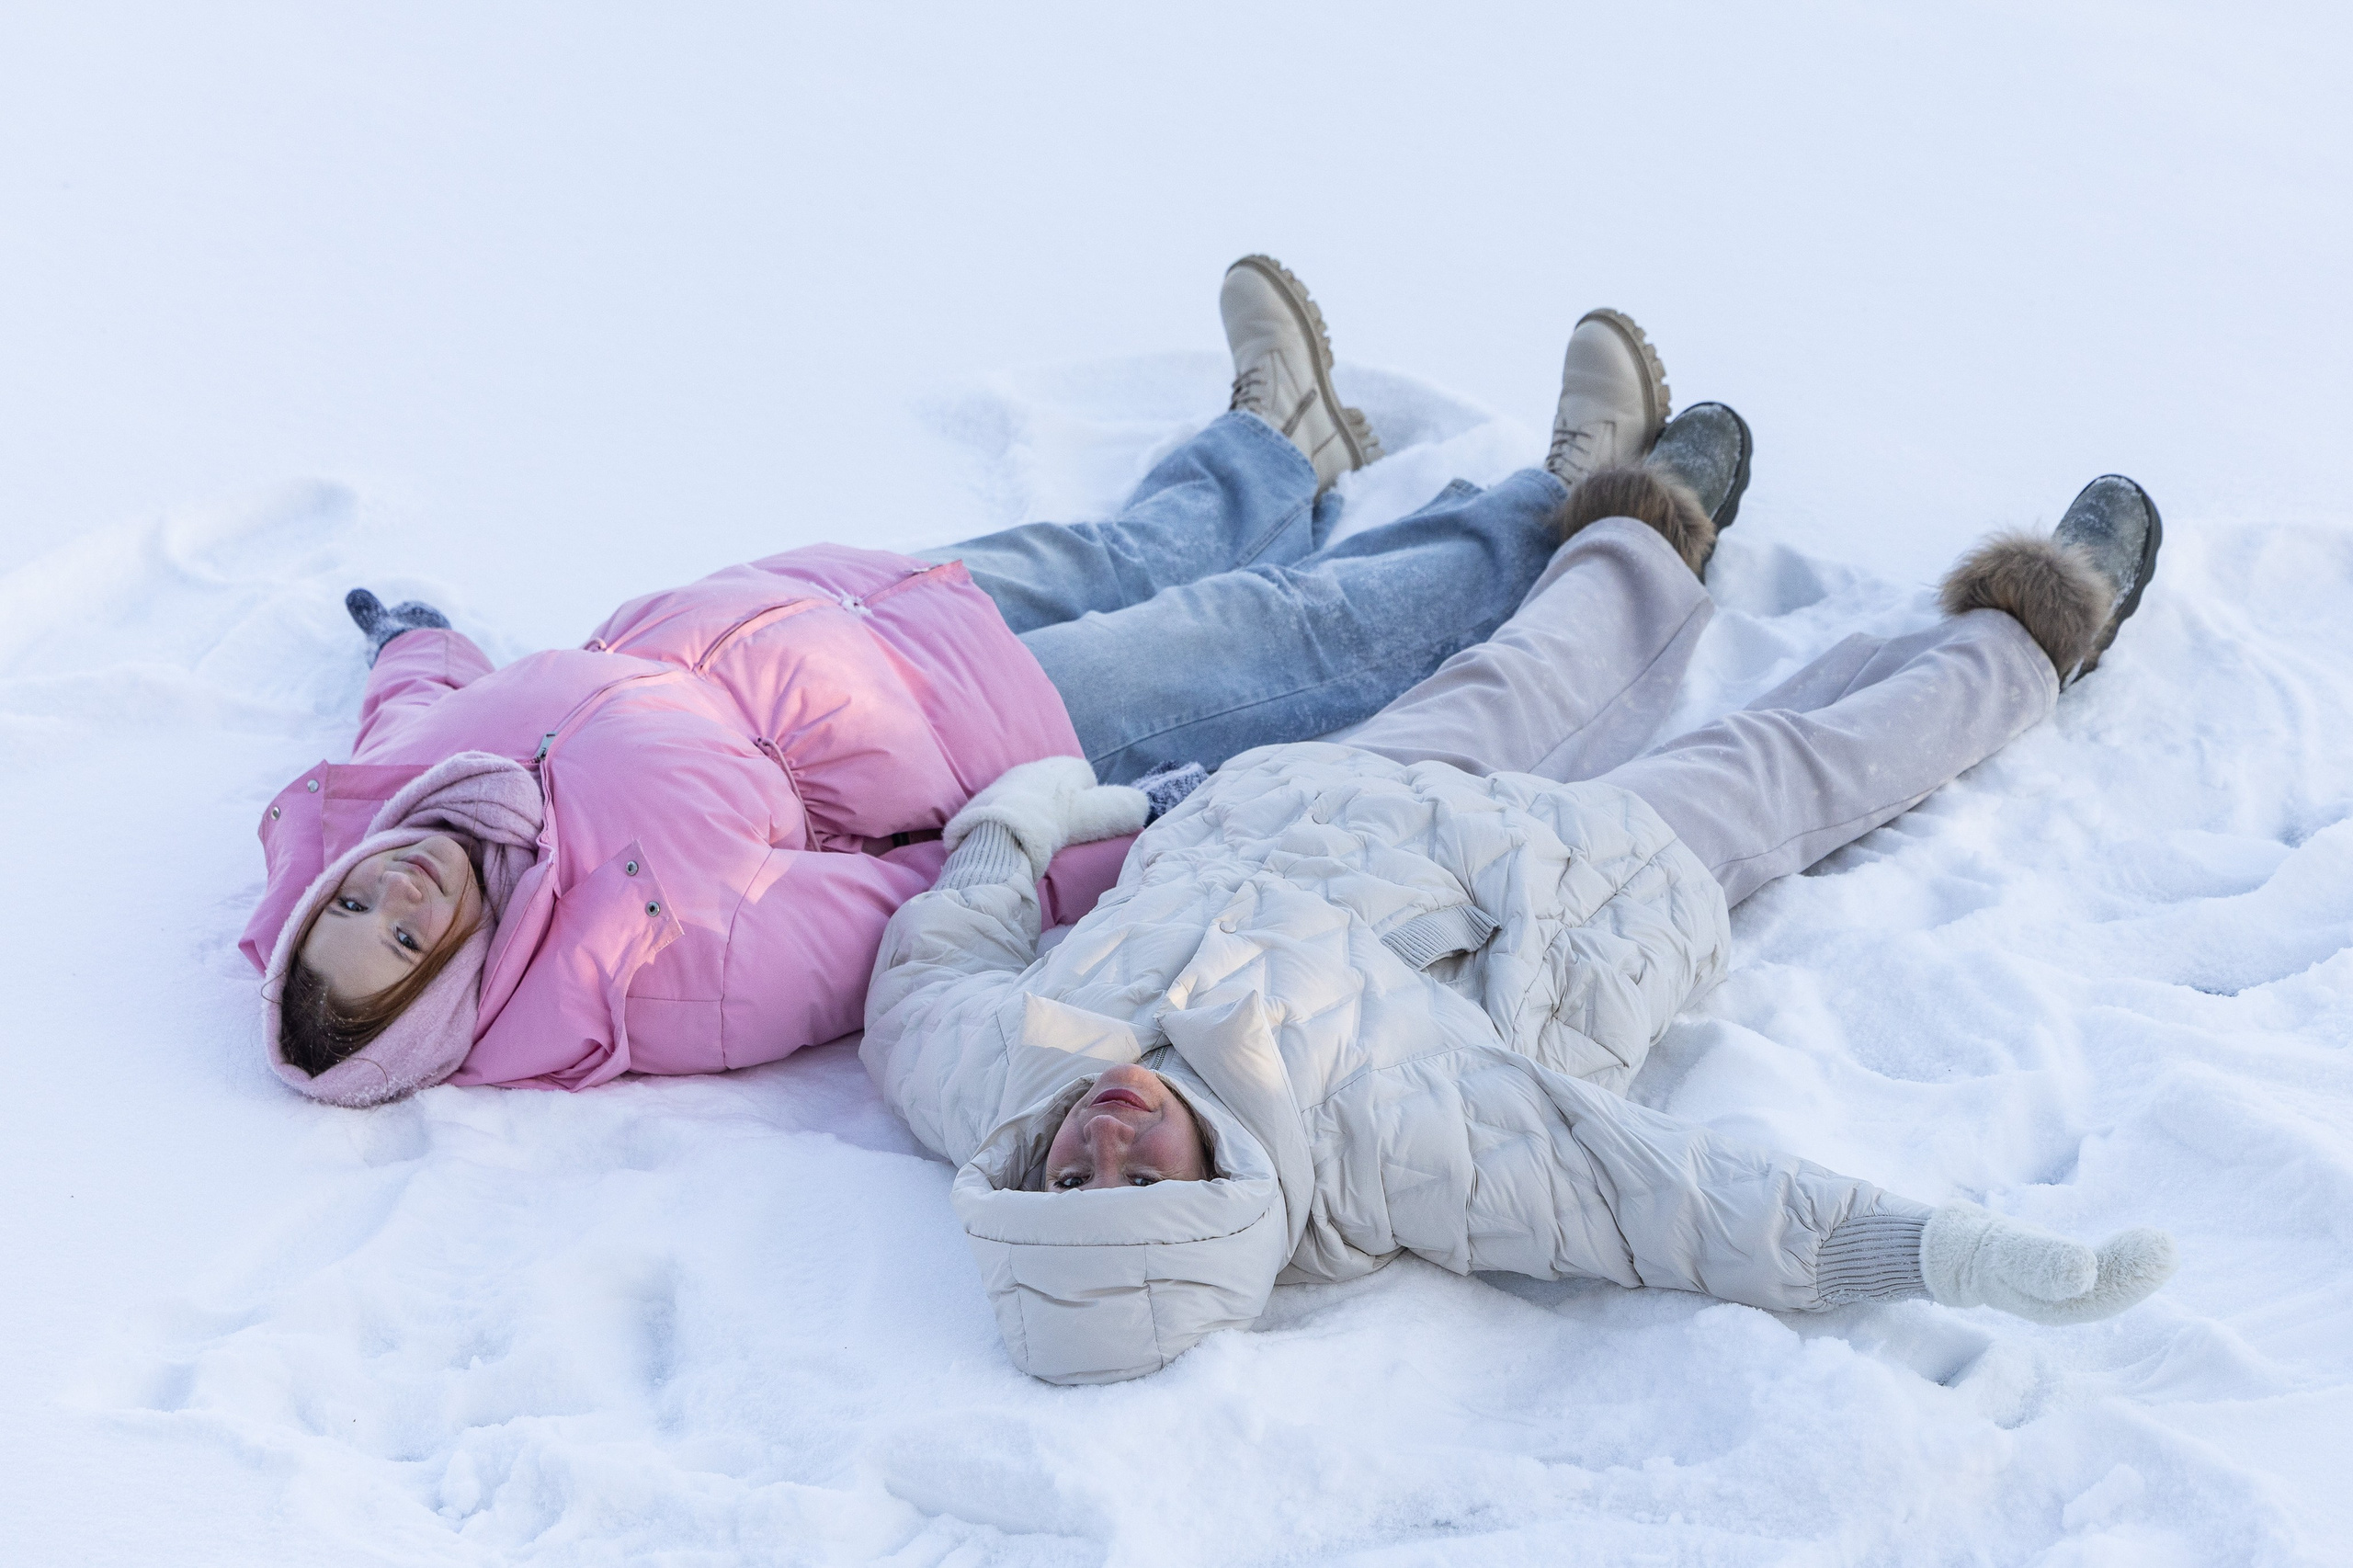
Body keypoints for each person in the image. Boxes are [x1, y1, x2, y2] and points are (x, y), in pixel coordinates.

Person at [859, 346, 2177, 1383]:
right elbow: (1663, 1196)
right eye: (1138, 1179)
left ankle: (1652, 529)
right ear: (1222, 1190)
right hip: (1578, 895)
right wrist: (1940, 1248)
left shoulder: (1009, 1076)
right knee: (1798, 761)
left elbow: (920, 990)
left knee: (1535, 662)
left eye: (1069, 1178)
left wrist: (1005, 836)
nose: (1099, 1139)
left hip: (1340, 796)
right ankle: (2032, 634)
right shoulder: (1385, 1139)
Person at [247, 256, 1661, 1106]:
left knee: (1126, 543)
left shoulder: (390, 796)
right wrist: (1105, 831)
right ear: (452, 988)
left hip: (841, 600)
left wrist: (413, 632)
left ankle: (1280, 440)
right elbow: (909, 914)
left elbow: (412, 700)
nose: (396, 891)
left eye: (354, 904)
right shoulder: (655, 970)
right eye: (402, 938)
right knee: (1288, 634)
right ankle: (1567, 504)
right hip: (991, 730)